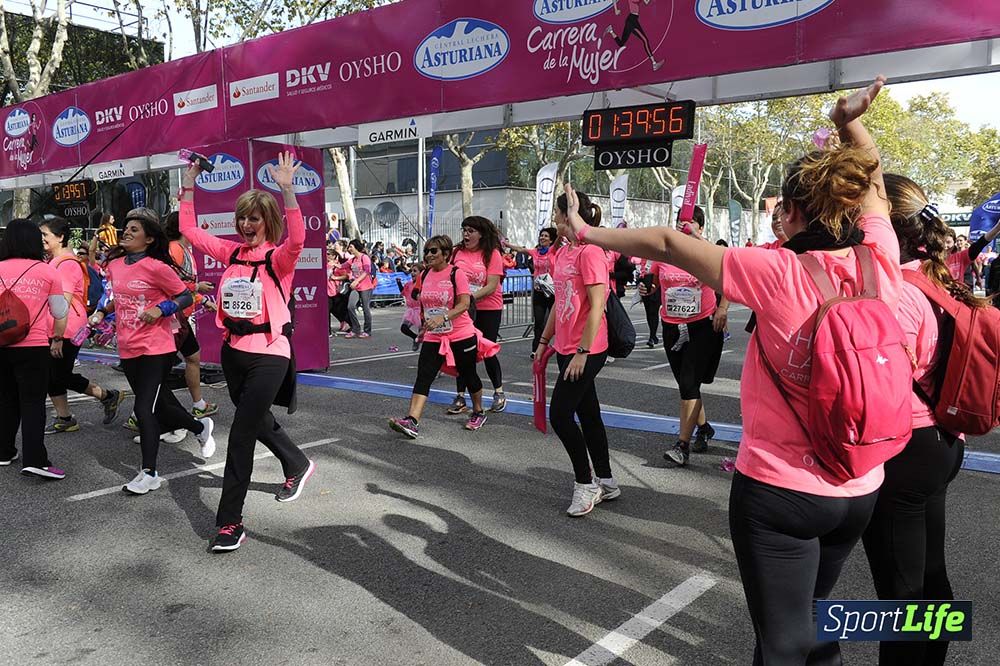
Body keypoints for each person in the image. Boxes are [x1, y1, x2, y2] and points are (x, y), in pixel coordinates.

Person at [559, 77, 899, 663]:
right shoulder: (879, 258)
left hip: (781, 490)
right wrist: (850, 124)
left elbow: (667, 242)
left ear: (788, 212)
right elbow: (876, 193)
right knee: (814, 626)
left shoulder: (780, 273)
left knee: (784, 641)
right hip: (862, 484)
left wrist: (585, 230)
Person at [862, 173, 988, 666]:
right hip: (942, 440)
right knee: (928, 574)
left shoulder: (894, 294)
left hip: (905, 449)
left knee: (899, 594)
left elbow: (877, 389)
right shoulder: (934, 277)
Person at [180, 151, 316, 553]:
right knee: (255, 420)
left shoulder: (279, 257)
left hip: (270, 354)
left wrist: (288, 189)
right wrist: (188, 184)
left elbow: (298, 238)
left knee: (240, 433)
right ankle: (298, 463)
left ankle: (229, 523)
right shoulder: (232, 253)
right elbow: (188, 227)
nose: (245, 224)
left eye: (253, 218)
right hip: (232, 352)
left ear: (267, 221)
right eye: (242, 218)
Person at [88, 208, 216, 496]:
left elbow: (183, 295)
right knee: (160, 406)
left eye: (134, 229)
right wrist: (99, 313)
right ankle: (198, 427)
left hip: (156, 347)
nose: (127, 232)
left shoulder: (158, 267)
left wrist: (161, 308)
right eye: (126, 227)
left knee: (144, 409)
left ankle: (149, 473)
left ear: (148, 239)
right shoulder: (117, 264)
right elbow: (115, 297)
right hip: (128, 346)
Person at [534, 190, 617, 517]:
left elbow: (597, 305)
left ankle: (586, 483)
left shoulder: (591, 252)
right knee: (589, 414)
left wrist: (583, 351)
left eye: (557, 213)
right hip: (565, 347)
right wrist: (543, 343)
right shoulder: (565, 253)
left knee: (560, 415)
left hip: (589, 347)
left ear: (567, 215)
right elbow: (559, 301)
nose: (553, 219)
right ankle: (607, 480)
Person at [640, 206, 727, 467]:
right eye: (679, 222)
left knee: (689, 383)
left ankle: (682, 445)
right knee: (686, 386)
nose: (682, 226)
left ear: (700, 227)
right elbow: (653, 282)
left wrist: (723, 308)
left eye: (689, 223)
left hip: (702, 325)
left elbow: (729, 273)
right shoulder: (664, 253)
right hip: (671, 326)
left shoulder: (706, 252)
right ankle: (704, 428)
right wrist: (648, 289)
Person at [389, 236, 489, 438]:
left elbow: (464, 304)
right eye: (426, 251)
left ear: (445, 254)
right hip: (435, 334)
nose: (428, 255)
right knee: (424, 375)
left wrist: (443, 317)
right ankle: (412, 420)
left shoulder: (456, 274)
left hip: (461, 333)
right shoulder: (424, 275)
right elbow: (424, 303)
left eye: (433, 251)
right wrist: (425, 325)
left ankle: (479, 411)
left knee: (468, 374)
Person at [38, 217, 124, 435]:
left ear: (60, 237)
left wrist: (57, 337)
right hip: (57, 327)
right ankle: (65, 417)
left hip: (66, 328)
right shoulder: (54, 262)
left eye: (45, 235)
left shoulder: (66, 265)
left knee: (60, 375)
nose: (42, 240)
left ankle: (106, 395)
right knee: (54, 374)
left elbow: (62, 304)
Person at [0, 219, 70, 479]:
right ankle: (35, 459)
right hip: (33, 345)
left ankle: (4, 451)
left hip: (1, 345)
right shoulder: (47, 271)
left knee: (6, 399)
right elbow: (59, 310)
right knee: (32, 402)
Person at [163, 211, 219, 420]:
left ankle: (199, 404)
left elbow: (186, 290)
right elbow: (169, 283)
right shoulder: (174, 249)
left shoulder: (184, 249)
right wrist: (197, 287)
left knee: (193, 357)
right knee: (161, 367)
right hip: (174, 318)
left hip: (182, 317)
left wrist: (203, 300)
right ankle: (140, 413)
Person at [448, 216, 507, 414]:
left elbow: (491, 286)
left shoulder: (493, 254)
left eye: (471, 231)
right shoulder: (457, 252)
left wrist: (468, 297)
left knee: (487, 349)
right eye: (464, 229)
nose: (466, 234)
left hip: (488, 307)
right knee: (463, 351)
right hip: (464, 309)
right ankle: (461, 395)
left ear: (481, 234)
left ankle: (498, 392)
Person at [504, 227, 558, 353]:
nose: (542, 238)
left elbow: (559, 240)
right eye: (541, 235)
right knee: (539, 322)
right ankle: (536, 349)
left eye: (545, 236)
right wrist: (506, 244)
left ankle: (560, 346)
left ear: (551, 240)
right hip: (539, 291)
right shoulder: (535, 252)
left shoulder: (553, 250)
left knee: (556, 322)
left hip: (553, 292)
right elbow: (520, 249)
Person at [604, 0, 662, 71]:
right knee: (645, 40)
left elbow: (646, 2)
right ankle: (654, 63)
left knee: (621, 43)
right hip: (632, 20)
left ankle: (610, 30)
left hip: (632, 20)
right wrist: (616, 10)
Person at [345, 239, 374, 339]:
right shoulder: (352, 259)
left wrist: (357, 280)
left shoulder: (364, 257)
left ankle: (367, 331)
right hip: (355, 287)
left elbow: (367, 271)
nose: (349, 249)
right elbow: (342, 266)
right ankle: (355, 328)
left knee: (366, 308)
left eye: (351, 247)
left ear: (356, 247)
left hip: (365, 286)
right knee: (350, 306)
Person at [397, 263, 423, 351]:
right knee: (403, 328)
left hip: (420, 311)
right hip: (411, 311)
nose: (412, 273)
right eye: (411, 271)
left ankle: (422, 345)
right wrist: (399, 283)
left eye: (415, 271)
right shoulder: (408, 284)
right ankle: (415, 338)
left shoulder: (423, 284)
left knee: (422, 333)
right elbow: (403, 292)